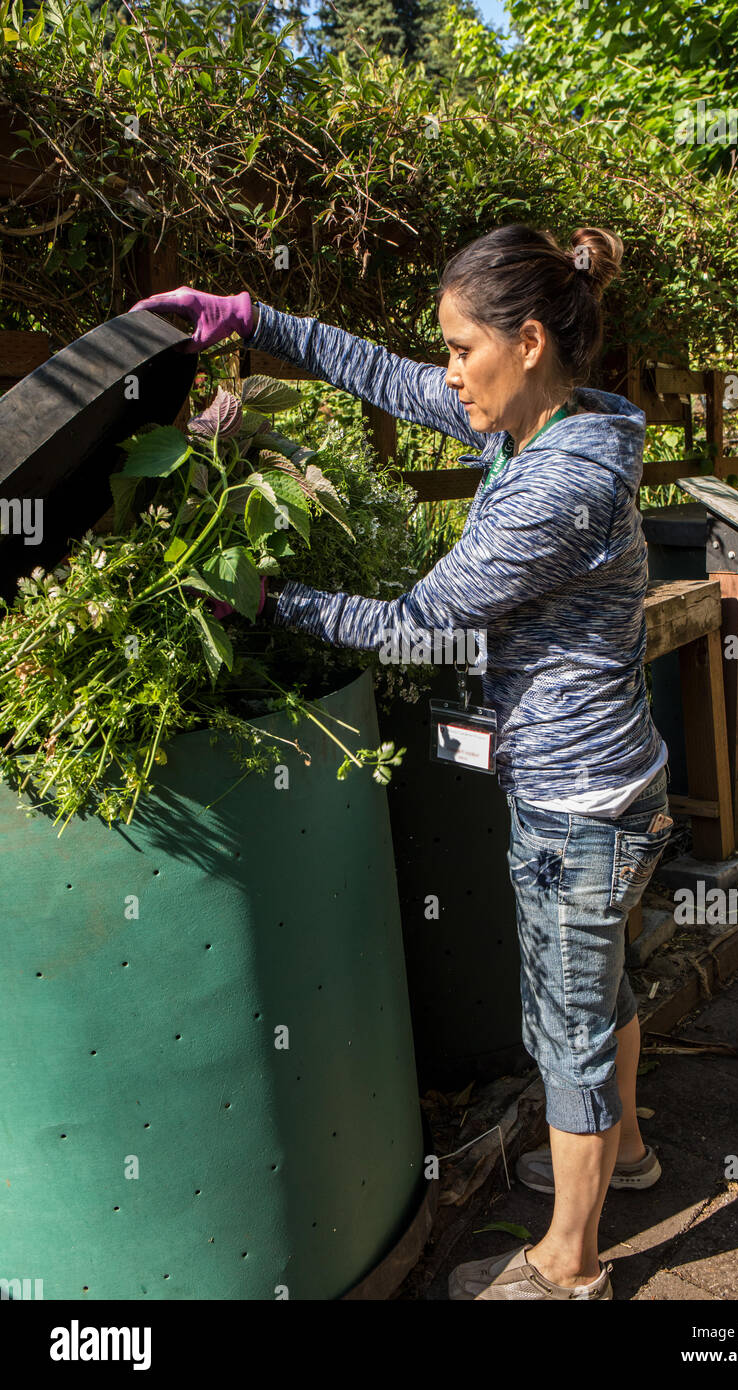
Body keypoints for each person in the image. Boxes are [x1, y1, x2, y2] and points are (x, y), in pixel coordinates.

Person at [130, 222, 674, 1302]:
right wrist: (254, 316)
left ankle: (569, 1262)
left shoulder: (550, 488)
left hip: (577, 802)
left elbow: (417, 623)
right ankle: (626, 1151)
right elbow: (386, 378)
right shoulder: (551, 419)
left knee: (565, 1022)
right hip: (608, 778)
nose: (444, 374)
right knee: (599, 987)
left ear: (524, 341)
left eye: (459, 349)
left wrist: (269, 600)